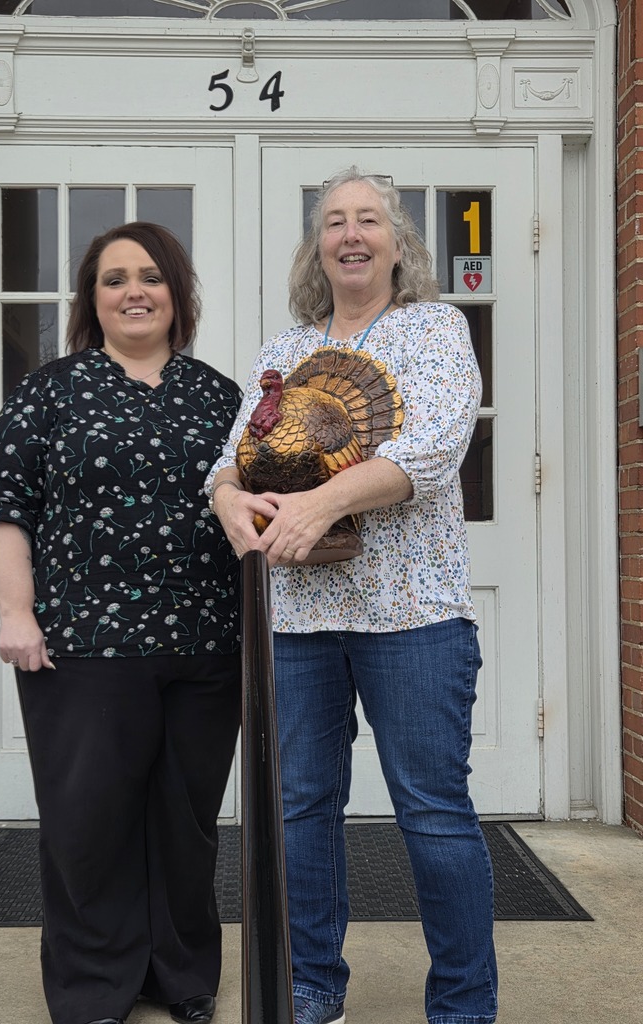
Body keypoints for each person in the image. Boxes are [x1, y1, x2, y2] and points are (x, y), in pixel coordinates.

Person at [208, 168, 497, 1024]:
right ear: (318, 249)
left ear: (398, 243)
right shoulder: (282, 351)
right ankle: (311, 989)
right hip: (296, 618)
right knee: (300, 811)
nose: (351, 234)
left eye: (368, 219)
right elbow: (233, 458)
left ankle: (462, 1005)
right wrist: (228, 500)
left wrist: (322, 501)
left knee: (434, 813)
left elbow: (437, 446)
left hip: (412, 615)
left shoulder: (435, 330)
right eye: (334, 221)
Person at [0, 222, 242, 1024]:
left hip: (205, 646)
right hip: (84, 647)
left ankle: (182, 977)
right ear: (92, 299)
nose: (135, 291)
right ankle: (95, 989)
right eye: (114, 278)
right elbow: (1, 508)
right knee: (89, 823)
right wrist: (15, 611)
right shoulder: (50, 392)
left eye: (151, 276)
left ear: (176, 294)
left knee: (185, 825)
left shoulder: (219, 396)